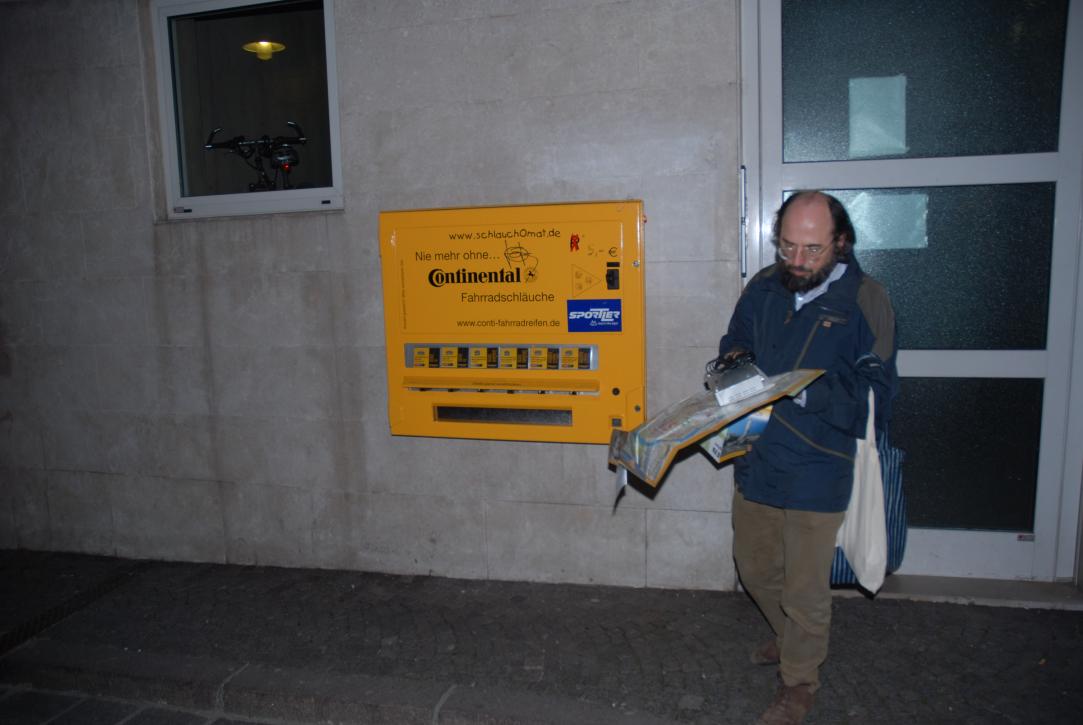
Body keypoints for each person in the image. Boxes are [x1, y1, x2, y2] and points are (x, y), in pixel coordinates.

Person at [717, 191, 898, 725]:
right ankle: (793, 635)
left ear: (841, 243)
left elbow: (877, 394)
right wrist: (734, 367)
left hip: (821, 462)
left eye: (812, 251)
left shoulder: (868, 299)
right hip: (757, 453)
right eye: (787, 246)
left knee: (804, 586)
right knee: (753, 567)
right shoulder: (763, 286)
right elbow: (735, 341)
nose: (796, 262)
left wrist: (805, 391)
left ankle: (799, 681)